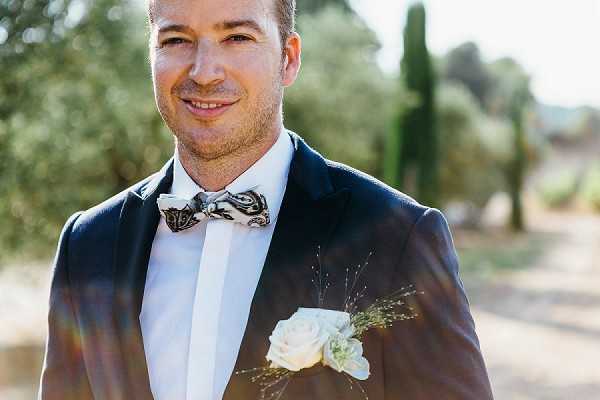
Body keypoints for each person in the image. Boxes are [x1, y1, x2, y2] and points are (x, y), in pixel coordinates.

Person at [39, 0, 494, 399]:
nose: (204, 71)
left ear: (288, 59)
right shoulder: (88, 244)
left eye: (237, 37)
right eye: (177, 39)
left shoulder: (399, 237)